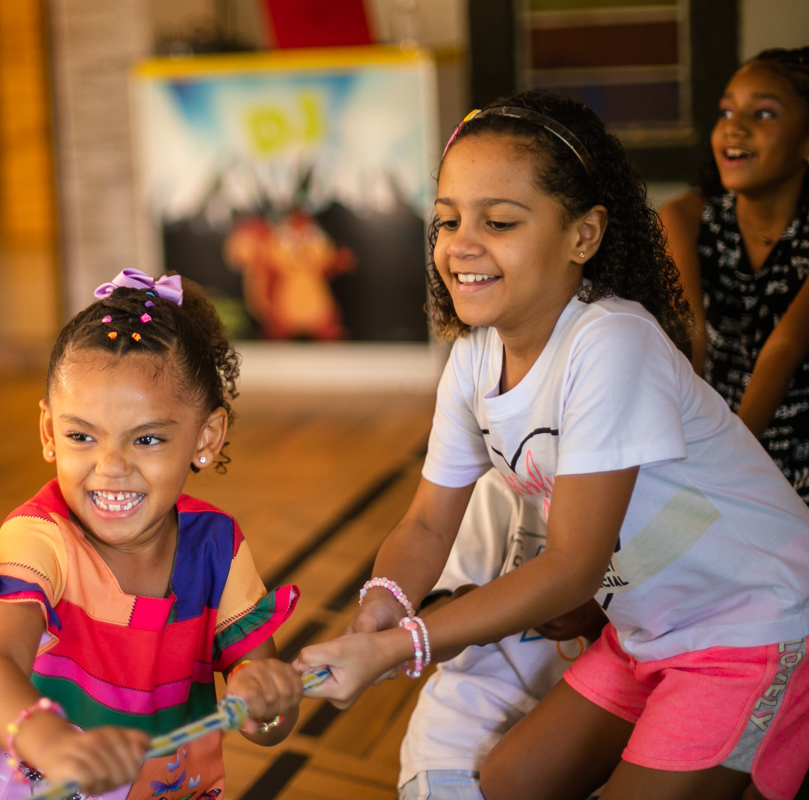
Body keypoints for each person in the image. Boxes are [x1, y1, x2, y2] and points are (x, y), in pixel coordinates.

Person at [295, 92, 809, 800]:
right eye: (446, 219)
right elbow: (423, 523)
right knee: (509, 780)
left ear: (583, 235)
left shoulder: (611, 342)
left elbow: (571, 567)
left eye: (498, 221)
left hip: (752, 622)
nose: (460, 243)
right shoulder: (474, 360)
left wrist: (402, 646)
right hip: (648, 631)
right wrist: (383, 602)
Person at [0, 269, 304, 800]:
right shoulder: (38, 540)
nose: (110, 466)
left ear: (206, 437)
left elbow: (268, 723)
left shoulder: (218, 548)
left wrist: (269, 706)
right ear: (50, 433)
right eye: (81, 436)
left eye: (146, 439)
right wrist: (51, 743)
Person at [397, 470, 607, 800]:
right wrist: (475, 612)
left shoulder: (663, 493)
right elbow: (432, 626)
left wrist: (599, 622)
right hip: (471, 715)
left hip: (601, 732)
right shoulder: (500, 483)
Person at [660, 47, 809, 503]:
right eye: (727, 110)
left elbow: (783, 350)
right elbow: (691, 336)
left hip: (784, 447)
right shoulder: (684, 219)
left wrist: (728, 468)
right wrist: (685, 460)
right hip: (703, 435)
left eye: (763, 113)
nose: (734, 126)